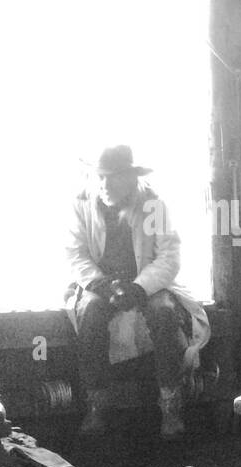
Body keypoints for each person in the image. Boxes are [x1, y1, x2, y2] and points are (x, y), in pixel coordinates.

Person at [65, 145, 210, 439]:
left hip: (145, 281)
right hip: (101, 283)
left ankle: (170, 402)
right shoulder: (81, 203)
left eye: (113, 178)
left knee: (164, 313)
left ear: (131, 178)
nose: (105, 185)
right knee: (90, 314)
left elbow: (169, 256)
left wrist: (139, 288)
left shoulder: (152, 204)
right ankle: (96, 405)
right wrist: (100, 284)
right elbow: (75, 253)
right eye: (100, 178)